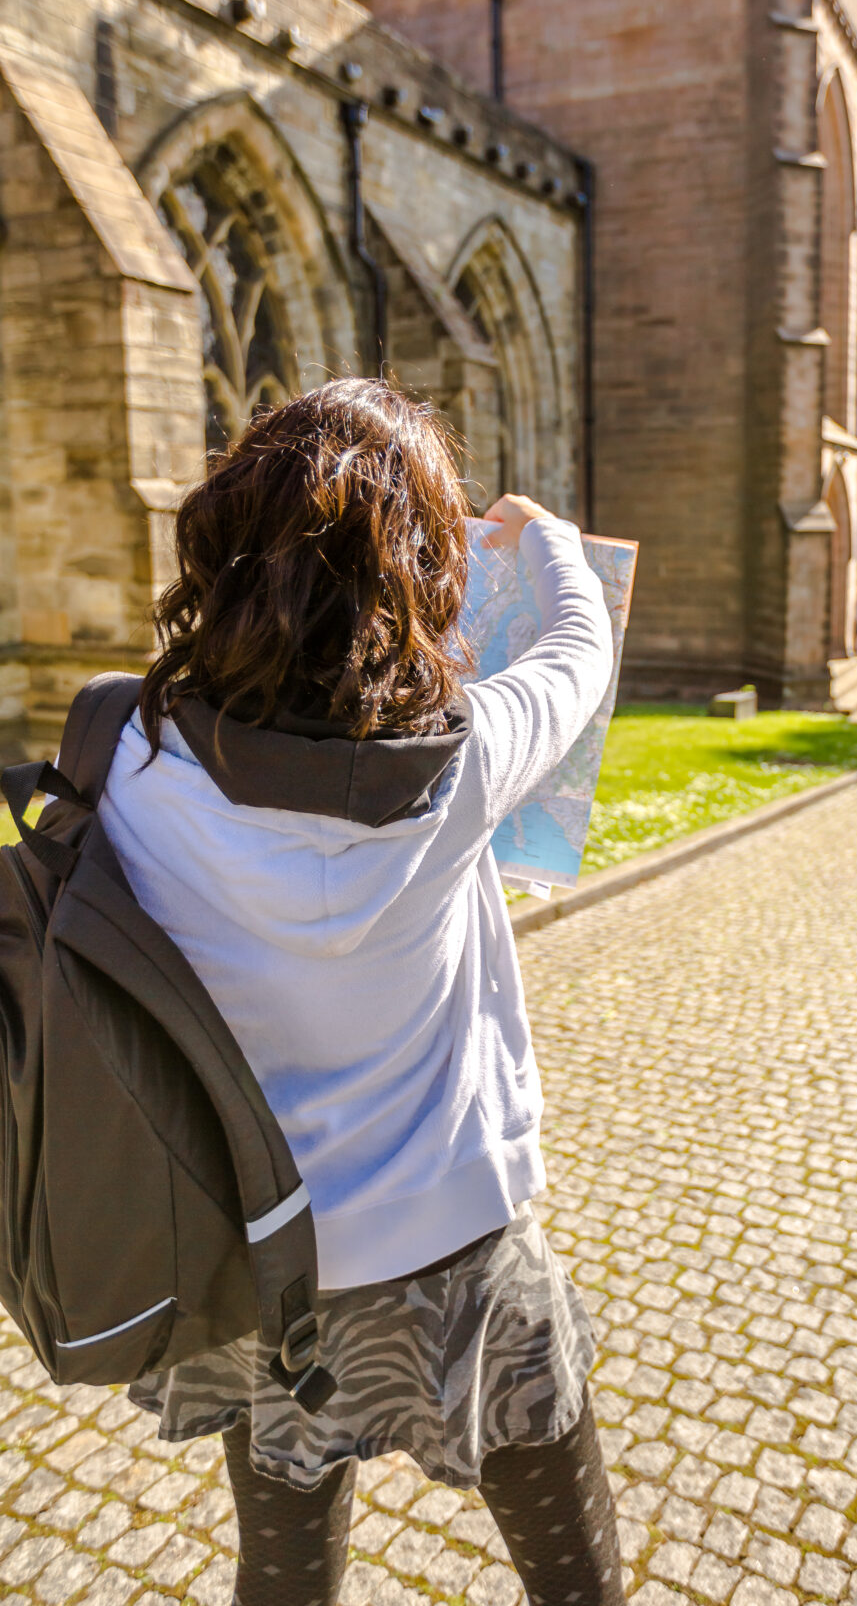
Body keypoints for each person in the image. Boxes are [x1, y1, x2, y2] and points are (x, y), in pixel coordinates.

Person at [96, 378, 624, 1606]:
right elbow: (575, 647)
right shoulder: (466, 760)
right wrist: (536, 537)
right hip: (459, 1251)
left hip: (255, 1253)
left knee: (281, 1568)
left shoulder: (122, 754)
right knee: (571, 1573)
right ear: (419, 576)